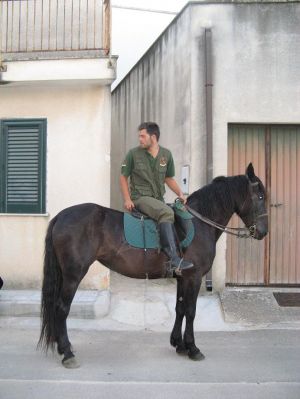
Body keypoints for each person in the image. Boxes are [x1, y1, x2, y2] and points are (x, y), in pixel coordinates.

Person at [120, 122, 194, 272]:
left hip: (158, 200)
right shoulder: (133, 154)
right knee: (167, 212)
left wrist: (180, 194)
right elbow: (123, 177)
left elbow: (168, 178)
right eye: (139, 136)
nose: (140, 139)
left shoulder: (166, 155)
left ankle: (180, 252)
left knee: (181, 213)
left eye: (142, 136)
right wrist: (127, 199)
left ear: (153, 137)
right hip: (140, 198)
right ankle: (173, 258)